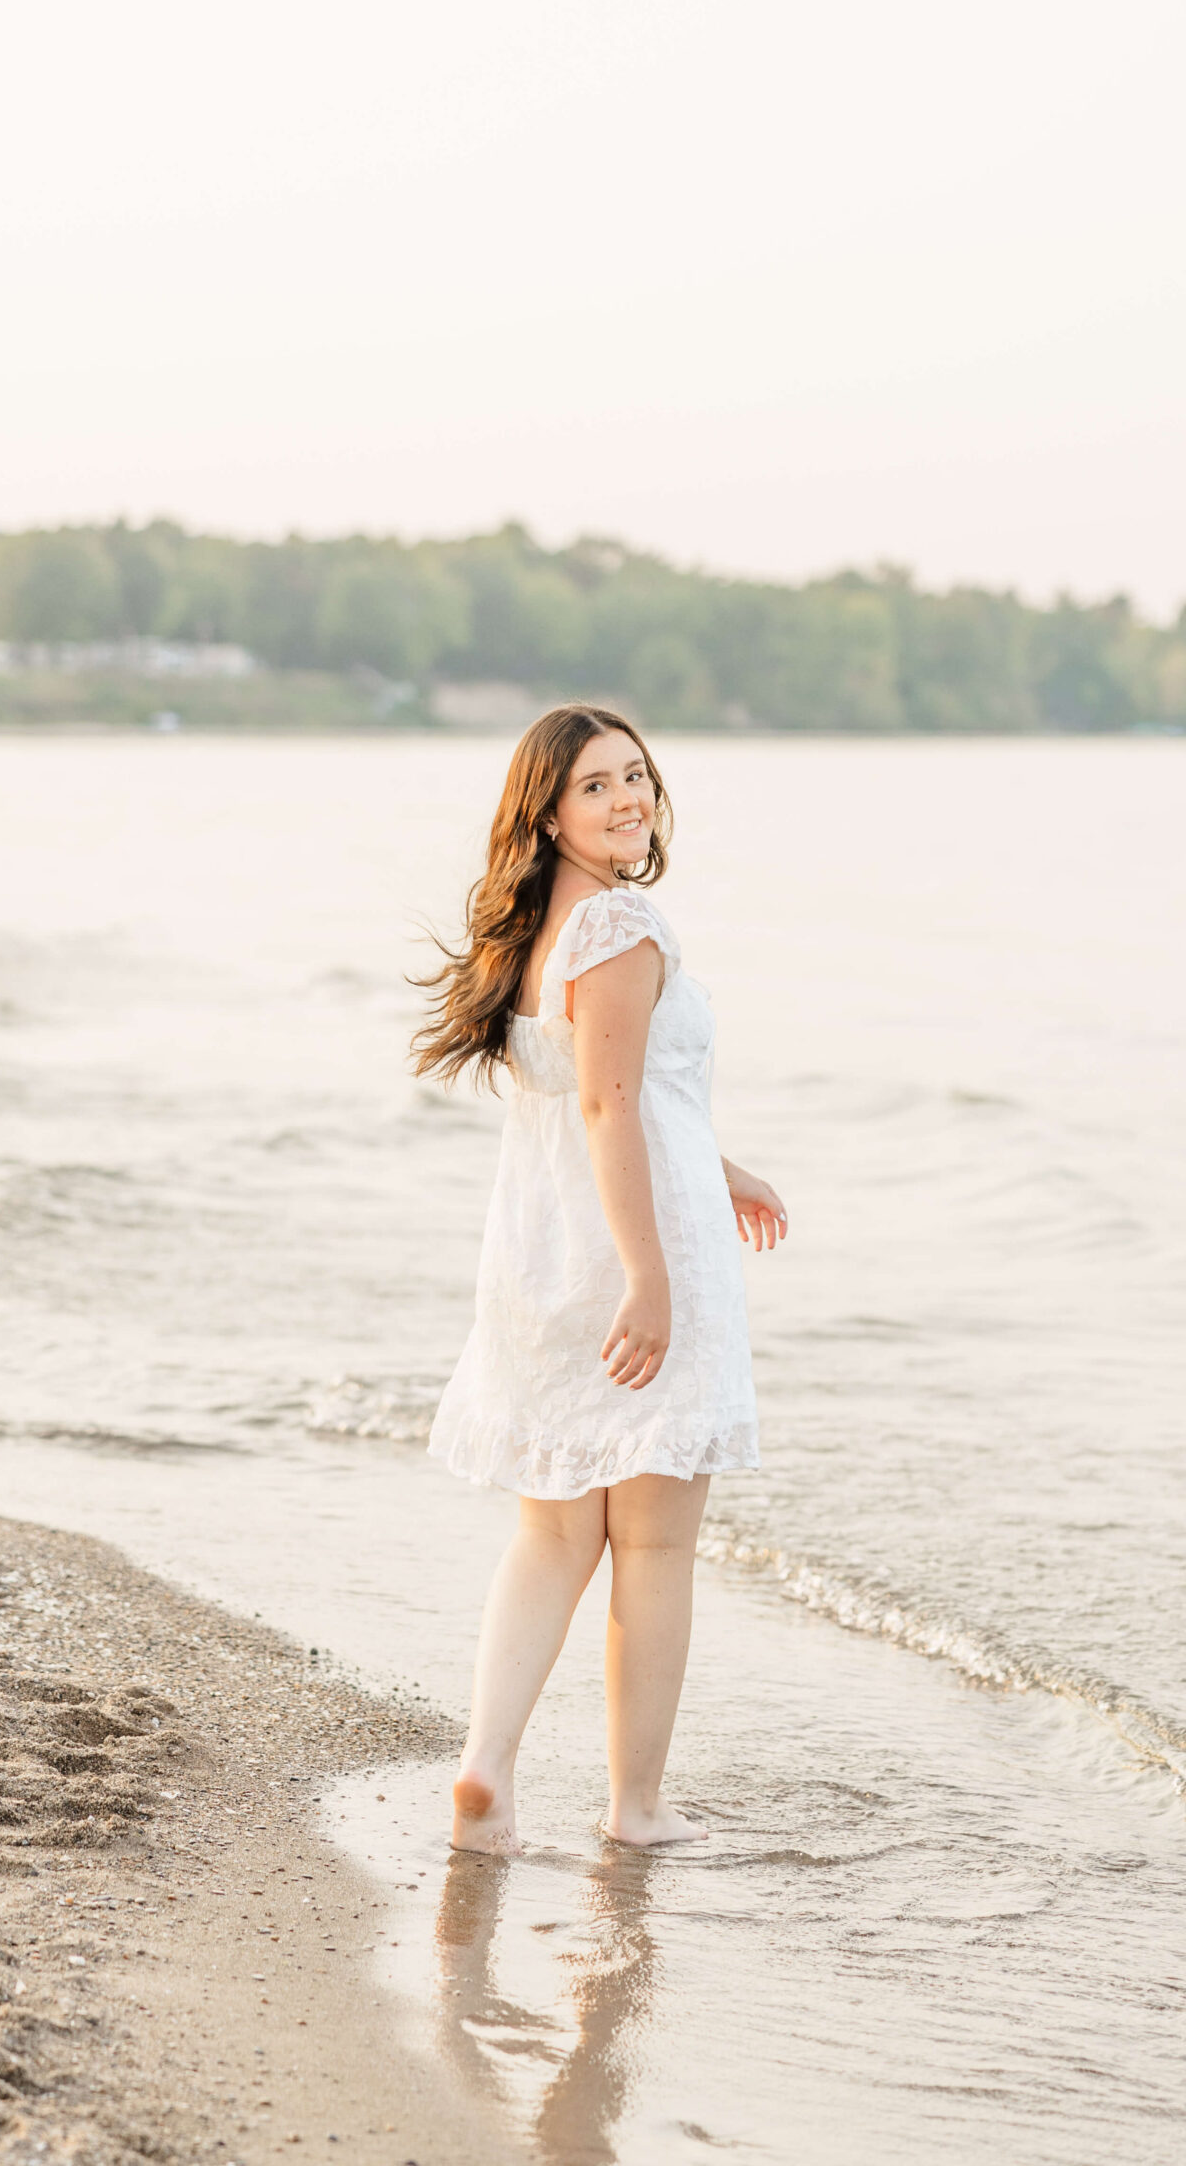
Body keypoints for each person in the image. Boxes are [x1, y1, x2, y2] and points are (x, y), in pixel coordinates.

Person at [412, 703, 787, 1853]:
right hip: (631, 1257)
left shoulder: (528, 936)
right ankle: (634, 1808)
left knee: (554, 1537)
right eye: (596, 786)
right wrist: (654, 1277)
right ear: (550, 812)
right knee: (658, 1547)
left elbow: (603, 1092)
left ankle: (486, 1768)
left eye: (637, 775)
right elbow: (609, 1103)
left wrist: (720, 1167)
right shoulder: (621, 925)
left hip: (541, 1256)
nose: (629, 798)